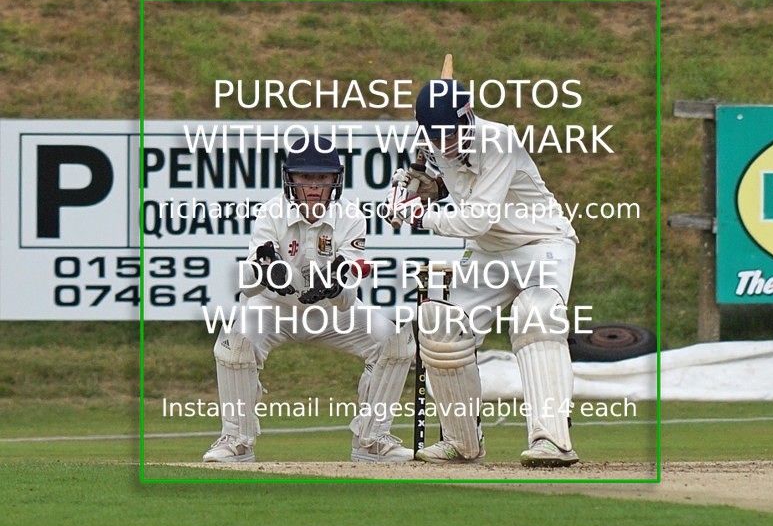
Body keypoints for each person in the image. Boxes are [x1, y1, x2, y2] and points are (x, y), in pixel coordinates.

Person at [384, 79, 580, 467]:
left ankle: (552, 440)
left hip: (541, 244)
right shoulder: (437, 145)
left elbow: (476, 218)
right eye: (438, 136)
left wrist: (420, 215)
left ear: (469, 114)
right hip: (489, 253)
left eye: (454, 133)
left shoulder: (500, 139)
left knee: (537, 314)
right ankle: (462, 443)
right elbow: (460, 186)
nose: (448, 143)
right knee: (441, 325)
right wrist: (432, 186)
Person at [203, 136, 415, 464]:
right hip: (275, 307)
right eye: (305, 178)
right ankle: (236, 441)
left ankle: (372, 441)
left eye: (321, 178)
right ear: (291, 179)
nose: (314, 187)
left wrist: (336, 285)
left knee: (396, 342)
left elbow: (347, 298)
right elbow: (247, 287)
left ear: (335, 179)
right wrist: (265, 270)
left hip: (330, 312)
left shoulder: (351, 217)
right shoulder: (271, 212)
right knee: (234, 343)